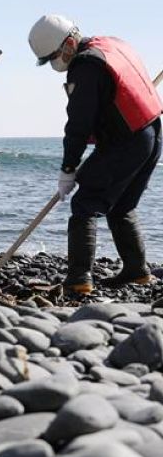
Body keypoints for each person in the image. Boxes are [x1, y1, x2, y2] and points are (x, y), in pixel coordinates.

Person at [28, 15, 162, 294]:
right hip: (152, 133)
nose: (56, 63)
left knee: (85, 203)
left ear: (68, 43)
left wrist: (68, 168)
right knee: (122, 205)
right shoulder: (111, 45)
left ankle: (79, 279)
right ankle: (137, 272)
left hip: (127, 141)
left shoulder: (86, 66)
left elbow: (79, 124)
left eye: (54, 56)